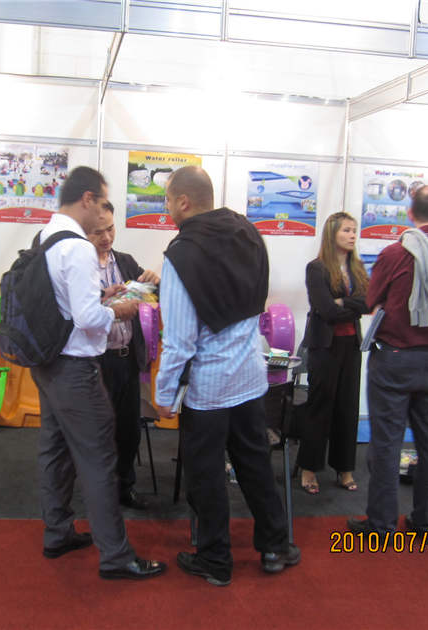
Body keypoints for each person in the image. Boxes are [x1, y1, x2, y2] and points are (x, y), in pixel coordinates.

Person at [155, 165, 299, 587]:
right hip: (249, 375)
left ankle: (215, 559)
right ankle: (276, 545)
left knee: (206, 475)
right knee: (255, 463)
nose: (166, 208)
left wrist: (165, 392)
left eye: (167, 200)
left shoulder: (181, 254)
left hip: (210, 386)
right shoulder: (247, 232)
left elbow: (180, 340)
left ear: (184, 202)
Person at [29, 165, 166, 581]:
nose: (104, 220)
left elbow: (64, 302)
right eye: (102, 202)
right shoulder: (78, 247)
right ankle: (116, 555)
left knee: (55, 450)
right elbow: (88, 318)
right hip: (76, 367)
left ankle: (57, 532)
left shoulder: (46, 236)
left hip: (48, 363)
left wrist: (100, 296)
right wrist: (119, 310)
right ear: (87, 198)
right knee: (99, 457)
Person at [348, 185, 428, 538]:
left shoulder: (394, 253)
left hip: (396, 359)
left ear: (410, 213)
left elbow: (372, 300)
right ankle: (427, 522)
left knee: (387, 443)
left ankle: (382, 524)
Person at [87, 201, 160, 510]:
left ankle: (124, 487)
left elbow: (151, 297)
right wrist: (110, 307)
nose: (106, 237)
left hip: (127, 359)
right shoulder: (81, 268)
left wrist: (154, 282)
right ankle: (99, 494)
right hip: (95, 362)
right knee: (97, 431)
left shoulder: (126, 262)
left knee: (129, 429)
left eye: (110, 229)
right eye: (97, 232)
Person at [293, 212, 369, 495]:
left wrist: (343, 302)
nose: (352, 235)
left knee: (347, 408)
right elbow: (326, 310)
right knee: (320, 407)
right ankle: (309, 468)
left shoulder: (357, 267)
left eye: (354, 230)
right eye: (346, 230)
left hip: (351, 346)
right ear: (332, 233)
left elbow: (368, 302)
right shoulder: (317, 268)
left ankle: (344, 468)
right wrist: (351, 305)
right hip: (324, 347)